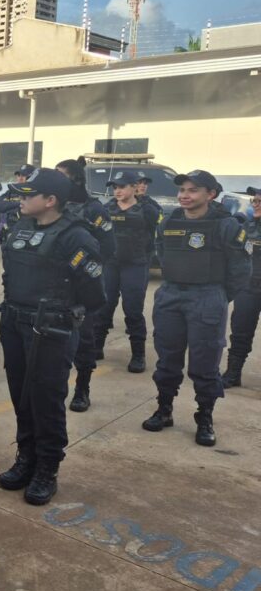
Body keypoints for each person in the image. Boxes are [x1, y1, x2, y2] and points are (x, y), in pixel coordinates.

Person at [0, 168, 106, 505]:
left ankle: (47, 467)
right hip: (15, 322)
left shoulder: (76, 236)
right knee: (21, 395)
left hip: (50, 329)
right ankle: (25, 457)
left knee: (46, 399)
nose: (22, 199)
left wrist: (64, 313)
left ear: (51, 200)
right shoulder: (20, 227)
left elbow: (94, 295)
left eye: (29, 194)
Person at [143, 170, 251, 446]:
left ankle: (204, 416)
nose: (184, 195)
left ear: (210, 194)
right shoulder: (168, 221)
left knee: (205, 363)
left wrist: (218, 296)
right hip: (170, 295)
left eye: (192, 190)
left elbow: (240, 270)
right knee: (167, 358)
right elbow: (161, 251)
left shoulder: (227, 226)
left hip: (208, 295)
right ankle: (164, 409)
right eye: (182, 190)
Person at [55, 157, 115, 413]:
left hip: (82, 284)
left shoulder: (94, 210)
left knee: (84, 339)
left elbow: (108, 248)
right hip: (56, 285)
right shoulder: (54, 205)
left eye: (61, 176)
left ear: (76, 179)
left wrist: (84, 264)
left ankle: (82, 388)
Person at [95, 170, 159, 373]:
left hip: (135, 264)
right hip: (111, 265)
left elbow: (154, 235)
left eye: (122, 186)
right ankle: (96, 347)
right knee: (104, 306)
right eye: (115, 187)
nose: (118, 190)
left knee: (132, 310)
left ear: (134, 187)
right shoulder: (107, 208)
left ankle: (138, 354)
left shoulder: (147, 209)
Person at [222, 187, 261, 388]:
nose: (255, 204)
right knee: (240, 332)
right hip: (249, 287)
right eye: (254, 200)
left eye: (259, 201)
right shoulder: (246, 226)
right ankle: (233, 373)